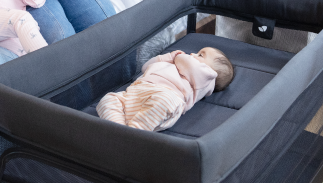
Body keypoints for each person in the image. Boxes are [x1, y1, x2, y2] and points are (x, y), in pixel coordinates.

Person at [96, 48, 235, 131]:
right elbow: (146, 67)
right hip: (136, 92)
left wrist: (177, 56)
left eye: (200, 55)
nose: (193, 54)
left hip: (165, 97)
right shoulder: (176, 63)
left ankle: (134, 132)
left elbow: (192, 65)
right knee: (108, 99)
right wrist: (167, 57)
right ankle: (119, 130)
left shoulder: (207, 79)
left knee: (164, 101)